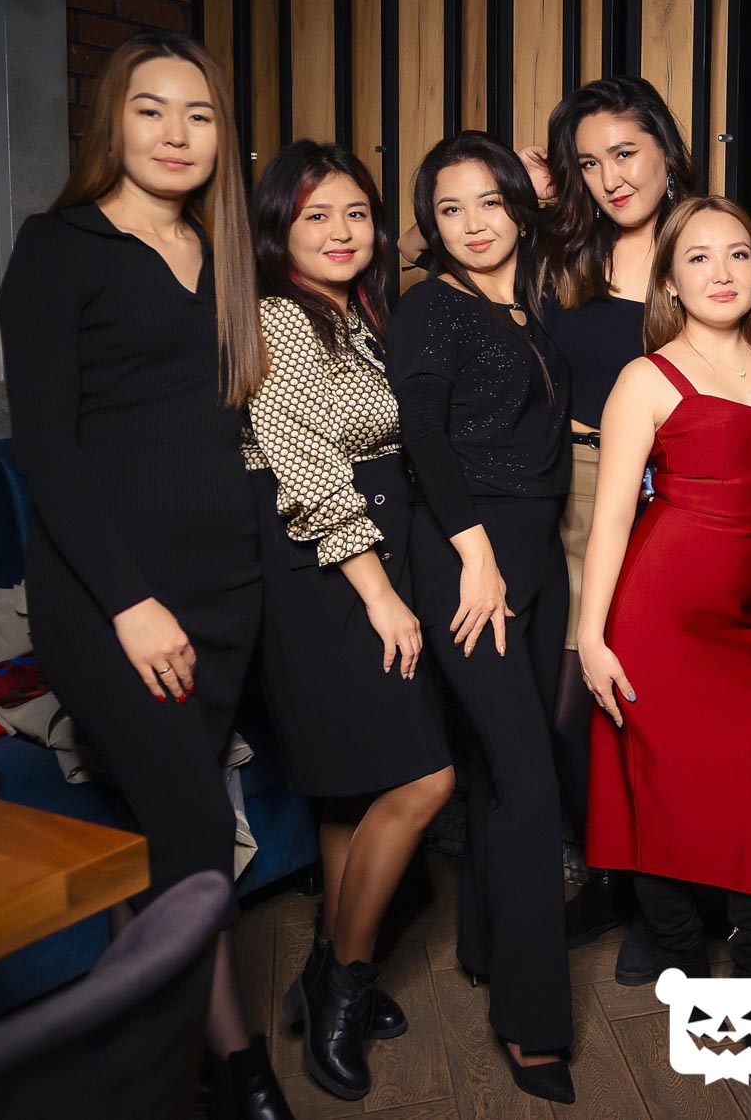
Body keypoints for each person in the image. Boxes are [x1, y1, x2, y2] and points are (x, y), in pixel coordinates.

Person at [0, 29, 294, 1119]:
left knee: (162, 834)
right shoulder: (60, 245)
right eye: (151, 109)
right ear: (111, 122)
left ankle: (141, 1056)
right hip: (114, 597)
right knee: (197, 832)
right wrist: (128, 603)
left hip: (224, 592)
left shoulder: (223, 256)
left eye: (199, 114)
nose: (177, 134)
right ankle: (235, 1074)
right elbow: (46, 447)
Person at [533, 77, 751, 959]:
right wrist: (520, 196)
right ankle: (659, 928)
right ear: (672, 278)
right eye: (590, 163)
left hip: (720, 564)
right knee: (610, 740)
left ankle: (726, 949)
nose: (611, 176)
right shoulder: (566, 261)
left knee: (732, 773)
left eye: (626, 152)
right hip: (600, 506)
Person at [578, 196, 751, 1100]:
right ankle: (702, 998)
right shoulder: (646, 378)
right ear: (671, 281)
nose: (722, 272)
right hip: (656, 619)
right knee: (661, 812)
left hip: (743, 624)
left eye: (740, 255)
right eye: (699, 258)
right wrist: (591, 637)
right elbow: (611, 520)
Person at [242, 141, 454, 1102]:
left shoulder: (354, 315)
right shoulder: (276, 319)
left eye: (356, 214)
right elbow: (307, 465)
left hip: (369, 553)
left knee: (349, 788)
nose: (340, 232)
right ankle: (343, 985)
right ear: (277, 227)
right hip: (327, 570)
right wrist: (378, 593)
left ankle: (328, 964)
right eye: (316, 215)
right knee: (425, 776)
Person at [385, 132, 575, 1104]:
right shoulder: (432, 305)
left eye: (489, 202)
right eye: (448, 209)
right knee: (530, 780)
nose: (471, 224)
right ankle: (532, 1023)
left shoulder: (530, 304)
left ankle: (487, 947)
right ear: (430, 224)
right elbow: (422, 433)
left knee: (508, 768)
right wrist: (475, 557)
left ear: (519, 205)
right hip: (471, 557)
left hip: (534, 550)